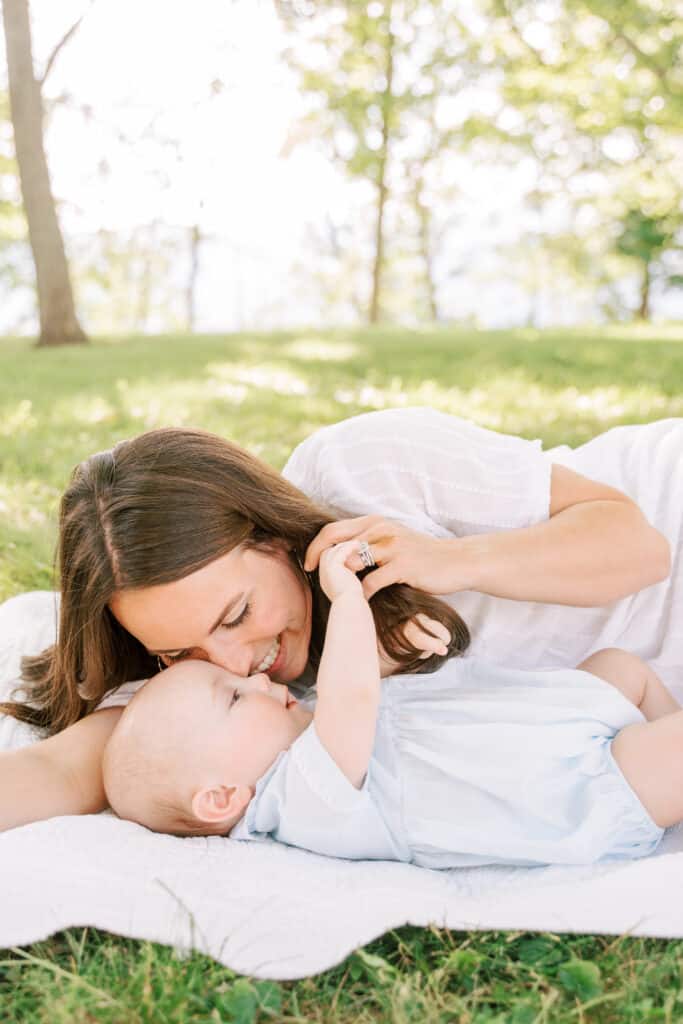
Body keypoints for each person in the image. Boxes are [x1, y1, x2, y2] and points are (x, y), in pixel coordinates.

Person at [0, 409, 677, 834]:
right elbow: (66, 770)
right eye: (179, 652)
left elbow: (640, 549)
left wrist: (453, 561)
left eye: (237, 614)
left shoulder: (362, 468)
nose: (236, 665)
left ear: (275, 538)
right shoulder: (238, 717)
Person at [103, 540, 680, 868]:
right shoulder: (298, 803)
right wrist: (346, 597)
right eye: (232, 698)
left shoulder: (299, 738)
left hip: (553, 724)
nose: (251, 679)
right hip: (580, 790)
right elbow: (353, 695)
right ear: (221, 797)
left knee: (620, 668)